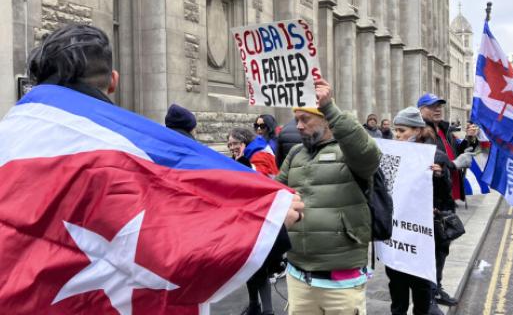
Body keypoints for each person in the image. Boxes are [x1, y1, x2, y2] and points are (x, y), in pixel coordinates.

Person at [25, 24, 304, 312]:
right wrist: (266, 214)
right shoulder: (142, 153)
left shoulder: (13, 143)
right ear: (113, 81)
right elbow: (183, 237)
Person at [276, 78, 381, 315]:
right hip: (298, 276)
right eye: (296, 120)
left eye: (305, 119)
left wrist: (330, 106)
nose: (299, 126)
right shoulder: (295, 154)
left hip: (341, 281)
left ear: (326, 119)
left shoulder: (350, 153)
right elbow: (274, 192)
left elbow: (368, 154)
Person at [386, 107, 455, 315]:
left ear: (417, 130)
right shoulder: (391, 153)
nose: (397, 136)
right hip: (397, 233)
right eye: (395, 131)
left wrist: (440, 175)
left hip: (423, 236)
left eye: (402, 131)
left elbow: (447, 196)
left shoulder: (436, 156)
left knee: (421, 293)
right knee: (397, 293)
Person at [417, 93, 477, 308]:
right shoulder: (422, 132)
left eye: (440, 105)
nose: (437, 109)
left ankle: (437, 287)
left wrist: (469, 139)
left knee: (442, 247)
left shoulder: (444, 129)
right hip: (432, 200)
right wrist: (453, 164)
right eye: (432, 106)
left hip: (447, 196)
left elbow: (457, 151)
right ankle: (429, 294)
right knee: (431, 249)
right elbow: (433, 163)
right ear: (421, 110)